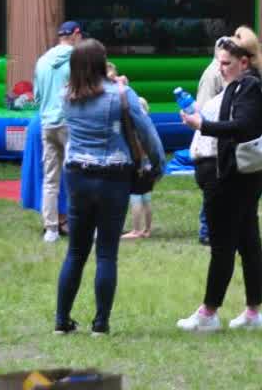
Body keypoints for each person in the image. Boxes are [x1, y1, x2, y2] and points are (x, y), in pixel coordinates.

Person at [54, 39, 164, 336]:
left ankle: (61, 320)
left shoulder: (67, 95)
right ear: (102, 63)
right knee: (106, 253)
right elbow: (147, 133)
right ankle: (100, 323)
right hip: (114, 176)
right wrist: (158, 166)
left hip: (77, 174)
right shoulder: (120, 95)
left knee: (76, 251)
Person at [177, 34, 262, 333]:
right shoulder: (239, 86)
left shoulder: (249, 87)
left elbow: (242, 127)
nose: (221, 68)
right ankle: (252, 312)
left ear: (244, 62)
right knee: (246, 242)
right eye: (219, 62)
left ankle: (209, 313)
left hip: (232, 179)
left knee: (224, 246)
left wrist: (202, 125)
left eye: (226, 63)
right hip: (235, 177)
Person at [192, 25, 256, 246]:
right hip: (214, 146)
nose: (223, 68)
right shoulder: (213, 75)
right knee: (213, 193)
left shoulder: (246, 83)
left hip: (224, 146)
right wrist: (203, 124)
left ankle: (216, 231)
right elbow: (206, 109)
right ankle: (207, 231)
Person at [36, 20, 82, 243]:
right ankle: (80, 225)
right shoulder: (77, 59)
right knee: (78, 176)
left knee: (50, 179)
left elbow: (37, 96)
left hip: (47, 124)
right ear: (76, 34)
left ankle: (51, 229)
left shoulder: (42, 60)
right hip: (70, 123)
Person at [122, 95, 156, 240]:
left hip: (139, 167)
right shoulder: (149, 125)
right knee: (146, 198)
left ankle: (136, 230)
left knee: (135, 198)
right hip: (149, 166)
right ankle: (147, 229)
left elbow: (138, 150)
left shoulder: (136, 129)